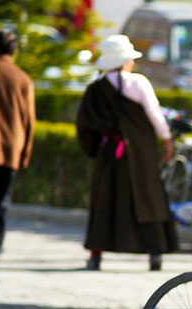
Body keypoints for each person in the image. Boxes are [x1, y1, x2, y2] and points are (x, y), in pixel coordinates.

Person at [76, 35, 178, 271]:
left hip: (108, 155)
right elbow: (155, 115)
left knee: (105, 203)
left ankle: (96, 256)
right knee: (147, 199)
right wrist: (167, 140)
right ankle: (154, 253)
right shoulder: (138, 83)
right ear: (125, 61)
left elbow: (84, 125)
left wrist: (95, 149)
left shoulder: (94, 89)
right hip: (140, 153)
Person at [0, 29, 35, 260]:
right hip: (9, 150)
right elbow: (29, 121)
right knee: (1, 201)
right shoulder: (23, 79)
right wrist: (24, 155)